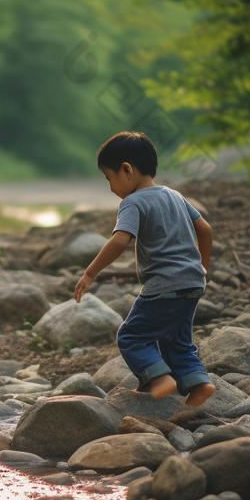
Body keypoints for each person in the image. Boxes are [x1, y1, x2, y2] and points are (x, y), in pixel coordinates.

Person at [74, 131, 215, 406]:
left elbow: (120, 240)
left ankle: (158, 378)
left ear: (126, 170)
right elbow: (205, 229)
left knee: (132, 336)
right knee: (177, 339)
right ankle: (199, 383)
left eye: (109, 179)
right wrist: (201, 268)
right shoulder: (174, 195)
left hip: (162, 286)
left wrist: (90, 272)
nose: (111, 188)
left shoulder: (133, 202)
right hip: (193, 282)